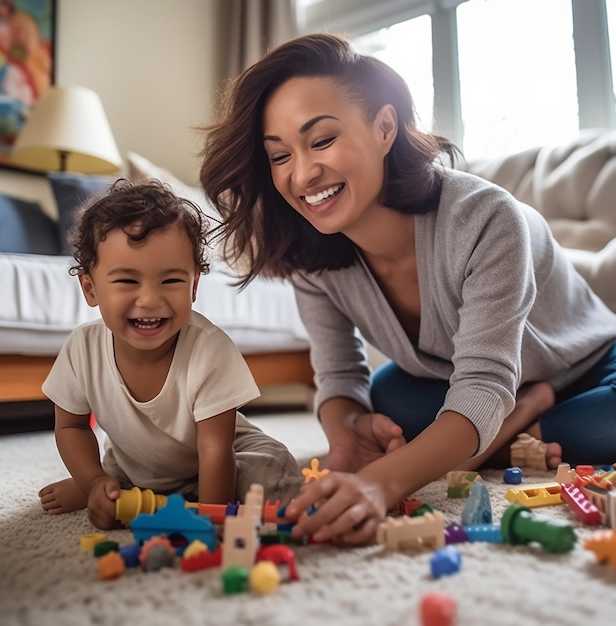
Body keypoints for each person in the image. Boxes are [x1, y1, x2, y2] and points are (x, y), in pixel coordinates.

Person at [198, 33, 616, 546]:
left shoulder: (486, 218)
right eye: (280, 155)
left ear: (384, 128)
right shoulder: (309, 252)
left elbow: (482, 385)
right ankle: (513, 425)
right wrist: (346, 436)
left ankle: (522, 414)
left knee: (600, 427)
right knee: (388, 401)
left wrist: (379, 483)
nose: (302, 173)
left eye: (322, 140)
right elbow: (338, 373)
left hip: (591, 367)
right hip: (451, 378)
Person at [38, 179, 301, 530]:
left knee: (272, 474)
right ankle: (103, 489)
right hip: (136, 464)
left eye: (171, 281)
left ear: (193, 286)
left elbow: (215, 450)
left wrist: (209, 521)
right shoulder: (82, 349)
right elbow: (70, 426)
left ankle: (167, 500)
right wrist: (94, 482)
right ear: (90, 288)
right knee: (112, 479)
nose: (149, 300)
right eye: (128, 282)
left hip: (223, 457)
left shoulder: (209, 349)